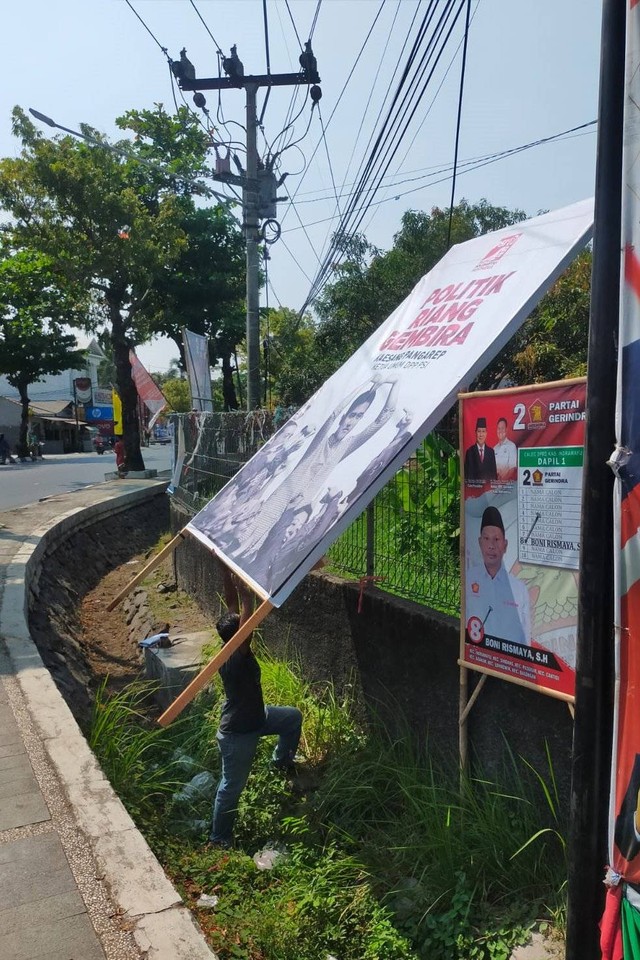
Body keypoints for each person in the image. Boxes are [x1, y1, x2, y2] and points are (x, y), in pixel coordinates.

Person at [210, 570, 302, 849]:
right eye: (243, 628)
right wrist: (248, 595)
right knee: (231, 788)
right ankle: (219, 838)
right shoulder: (237, 657)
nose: (246, 629)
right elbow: (245, 620)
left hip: (258, 718)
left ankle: (281, 762)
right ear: (240, 636)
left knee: (292, 718)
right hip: (238, 734)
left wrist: (227, 571)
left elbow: (231, 606)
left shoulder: (228, 646)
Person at [465, 506, 531, 645]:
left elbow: (526, 636)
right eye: (486, 538)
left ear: (505, 545)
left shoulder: (519, 589)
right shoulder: (469, 578)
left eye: (497, 539)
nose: (491, 546)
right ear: (480, 542)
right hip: (478, 656)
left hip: (509, 662)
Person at [464, 417, 497, 483]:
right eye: (479, 431)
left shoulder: (491, 452)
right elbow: (467, 475)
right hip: (474, 489)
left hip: (488, 491)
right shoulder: (470, 452)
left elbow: (494, 475)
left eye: (483, 431)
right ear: (475, 433)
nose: (481, 435)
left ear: (486, 433)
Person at [494, 417, 517, 483]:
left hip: (507, 487)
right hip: (495, 486)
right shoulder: (494, 449)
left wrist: (502, 482)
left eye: (502, 428)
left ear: (506, 430)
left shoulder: (511, 446)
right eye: (498, 428)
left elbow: (512, 470)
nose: (500, 430)